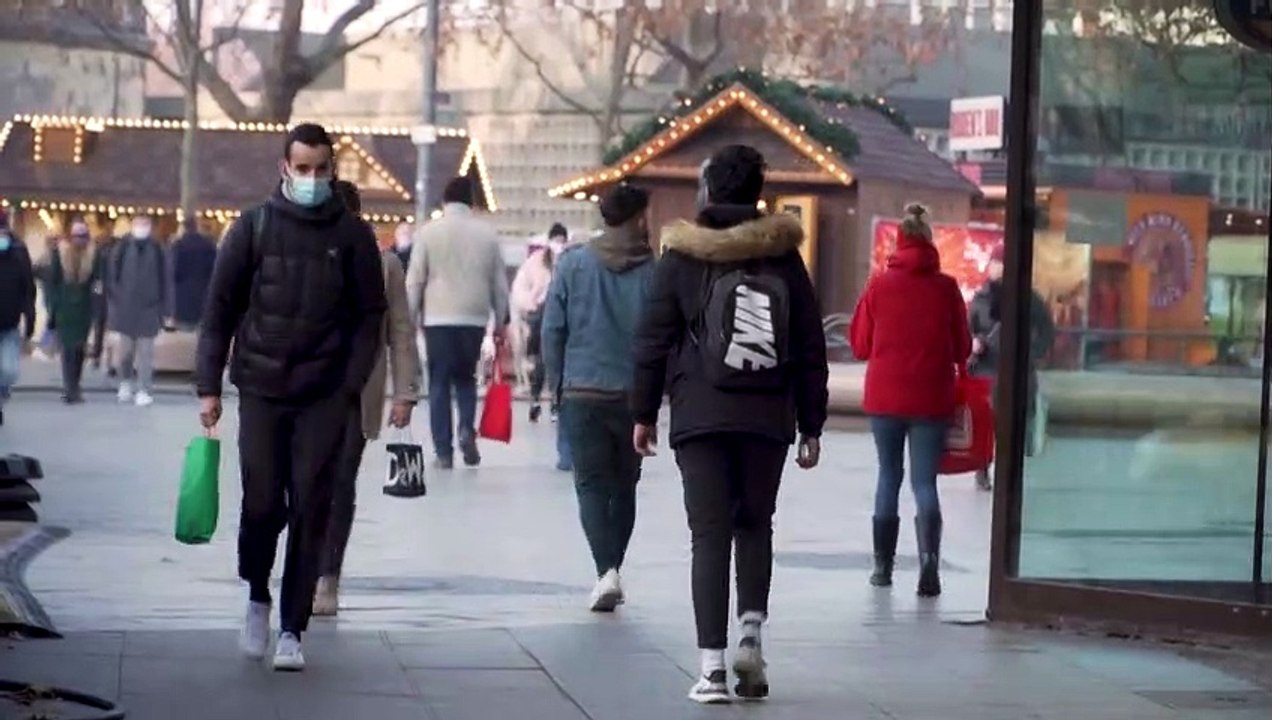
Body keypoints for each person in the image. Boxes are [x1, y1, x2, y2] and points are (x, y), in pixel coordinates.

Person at [631, 146, 828, 704]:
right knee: (755, 524)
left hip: (702, 413)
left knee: (709, 535)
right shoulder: (784, 256)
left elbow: (651, 341)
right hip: (768, 415)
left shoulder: (683, 255)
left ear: (708, 191)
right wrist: (812, 422)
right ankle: (751, 638)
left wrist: (642, 414)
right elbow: (810, 345)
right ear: (758, 193)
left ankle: (712, 670)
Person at [196, 123, 386, 672]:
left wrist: (350, 384)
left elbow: (370, 315)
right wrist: (209, 385)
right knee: (261, 502)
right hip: (260, 388)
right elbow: (219, 312)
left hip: (324, 395)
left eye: (320, 169)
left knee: (311, 504)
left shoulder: (352, 237)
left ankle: (292, 628)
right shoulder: (251, 228)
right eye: (301, 169)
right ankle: (257, 593)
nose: (310, 179)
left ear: (332, 170)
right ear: (284, 168)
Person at [542, 185, 655, 613]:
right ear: (638, 218)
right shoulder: (653, 271)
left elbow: (553, 329)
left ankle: (605, 570)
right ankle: (612, 568)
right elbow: (664, 337)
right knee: (625, 485)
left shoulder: (573, 264)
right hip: (631, 396)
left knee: (589, 483)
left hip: (581, 390)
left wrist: (556, 385)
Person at [850, 203, 972, 599]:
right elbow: (963, 347)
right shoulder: (947, 288)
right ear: (929, 242)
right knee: (924, 481)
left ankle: (882, 569)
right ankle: (929, 566)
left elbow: (859, 344)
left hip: (885, 396)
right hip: (931, 397)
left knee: (888, 475)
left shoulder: (879, 286)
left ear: (899, 241)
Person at [312, 180, 420, 617]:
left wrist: (405, 392)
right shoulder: (307, 256)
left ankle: (327, 577)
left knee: (340, 483)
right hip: (308, 389)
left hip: (359, 392)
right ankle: (310, 568)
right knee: (307, 485)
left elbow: (400, 329)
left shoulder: (385, 264)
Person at [405, 176, 509, 469]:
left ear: (444, 201)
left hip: (437, 317)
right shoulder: (487, 235)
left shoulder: (428, 233)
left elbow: (415, 281)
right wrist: (499, 321)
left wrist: (410, 318)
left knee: (438, 382)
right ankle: (466, 428)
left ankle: (444, 451)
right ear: (472, 202)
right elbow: (499, 285)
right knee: (465, 379)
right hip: (473, 317)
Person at [968, 243, 1055, 488]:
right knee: (987, 423)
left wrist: (1031, 352)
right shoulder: (981, 298)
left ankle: (1012, 473)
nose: (997, 269)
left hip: (1019, 371)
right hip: (987, 370)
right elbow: (967, 330)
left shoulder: (1030, 299)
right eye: (995, 264)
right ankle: (983, 471)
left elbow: (1046, 331)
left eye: (1002, 264)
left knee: (1018, 423)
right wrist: (973, 344)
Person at [105, 213, 171, 407]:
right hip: (126, 308)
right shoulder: (123, 247)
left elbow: (164, 279)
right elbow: (112, 276)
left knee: (146, 354)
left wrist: (165, 308)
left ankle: (144, 389)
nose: (141, 227)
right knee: (125, 352)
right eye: (138, 223)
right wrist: (116, 300)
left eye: (145, 224)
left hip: (149, 308)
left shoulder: (158, 248)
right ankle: (125, 382)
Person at [44, 220, 101, 404]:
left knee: (79, 350)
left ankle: (75, 384)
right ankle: (70, 389)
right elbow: (52, 282)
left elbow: (97, 281)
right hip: (65, 308)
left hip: (84, 309)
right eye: (76, 236)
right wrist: (53, 305)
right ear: (70, 237)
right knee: (67, 350)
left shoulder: (93, 255)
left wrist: (96, 305)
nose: (80, 240)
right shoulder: (59, 254)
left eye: (83, 236)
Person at [509, 229, 555, 423]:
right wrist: (532, 303)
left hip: (553, 313)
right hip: (542, 314)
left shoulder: (567, 261)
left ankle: (550, 402)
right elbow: (521, 290)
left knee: (550, 362)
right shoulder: (535, 263)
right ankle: (539, 400)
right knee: (543, 361)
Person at [0, 209, 36, 426]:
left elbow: (28, 288)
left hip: (9, 321)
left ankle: (2, 394)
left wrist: (30, 318)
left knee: (8, 370)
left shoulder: (19, 252)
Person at [170, 217, 218, 330]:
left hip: (183, 290)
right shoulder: (208, 244)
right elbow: (214, 267)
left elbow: (175, 269)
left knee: (185, 326)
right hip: (202, 288)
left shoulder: (179, 245)